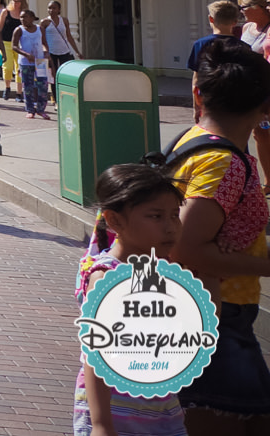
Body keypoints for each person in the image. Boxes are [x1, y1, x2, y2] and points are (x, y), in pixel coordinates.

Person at [160, 42, 270, 427]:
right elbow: (186, 248)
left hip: (212, 313)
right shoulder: (224, 163)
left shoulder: (191, 141)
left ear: (198, 94)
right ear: (264, 107)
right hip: (218, 319)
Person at [73, 163, 187, 436]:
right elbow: (96, 354)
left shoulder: (164, 268)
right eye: (156, 216)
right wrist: (101, 425)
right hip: (115, 412)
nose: (171, 227)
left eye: (174, 215)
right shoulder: (107, 276)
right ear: (114, 221)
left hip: (162, 409)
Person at [14, 9, 51, 119]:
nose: (22, 19)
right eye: (21, 17)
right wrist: (26, 55)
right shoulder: (19, 30)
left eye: (25, 17)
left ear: (32, 18)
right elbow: (14, 46)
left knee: (43, 86)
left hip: (40, 61)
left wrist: (46, 52)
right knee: (28, 87)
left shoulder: (40, 29)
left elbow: (44, 43)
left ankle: (41, 109)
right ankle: (30, 109)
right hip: (26, 62)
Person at [40, 0, 78, 77]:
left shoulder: (64, 20)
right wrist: (45, 51)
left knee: (65, 72)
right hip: (51, 51)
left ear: (59, 9)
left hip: (64, 50)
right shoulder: (44, 22)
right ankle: (54, 89)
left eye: (54, 8)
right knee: (53, 74)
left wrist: (77, 51)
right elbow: (41, 39)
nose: (51, 10)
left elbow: (69, 36)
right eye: (49, 8)